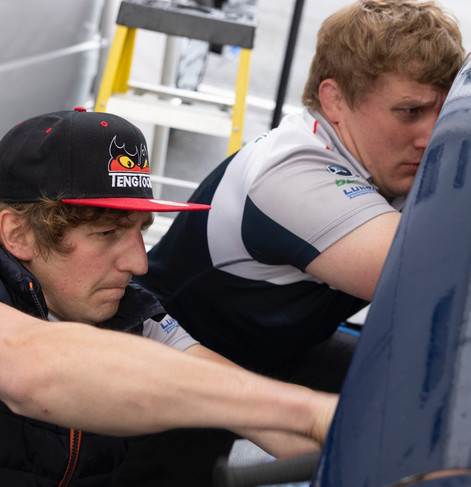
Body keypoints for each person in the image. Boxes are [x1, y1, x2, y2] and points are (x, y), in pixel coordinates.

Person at [0, 108, 336, 486]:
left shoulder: (131, 315)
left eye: (140, 231)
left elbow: (244, 402)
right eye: (106, 233)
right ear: (18, 234)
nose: (139, 263)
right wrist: (310, 413)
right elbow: (31, 367)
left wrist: (350, 436)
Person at [135, 1, 465, 383]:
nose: (430, 136)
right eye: (409, 112)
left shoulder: (386, 159)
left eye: (443, 112)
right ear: (335, 100)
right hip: (166, 367)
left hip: (276, 351)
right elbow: (439, 281)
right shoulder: (290, 172)